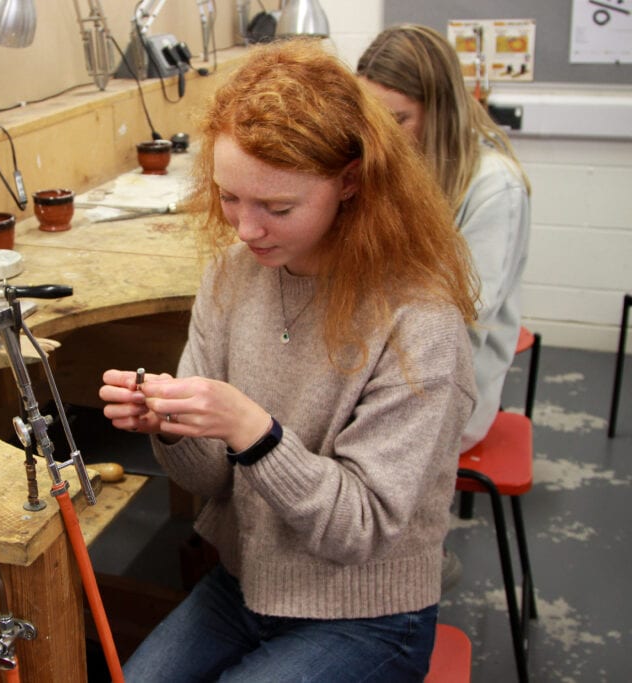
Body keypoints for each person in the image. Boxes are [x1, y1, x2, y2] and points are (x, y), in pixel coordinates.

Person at [98, 39, 478, 682]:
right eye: (230, 198)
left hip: (368, 612)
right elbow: (215, 483)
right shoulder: (231, 277)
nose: (247, 230)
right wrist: (169, 423)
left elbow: (360, 528)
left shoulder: (420, 321)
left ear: (350, 183)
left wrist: (253, 431)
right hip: (246, 584)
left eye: (277, 207)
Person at [357, 24, 532, 453]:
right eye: (373, 120)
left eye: (399, 119)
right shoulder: (390, 163)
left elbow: (461, 316)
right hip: (380, 359)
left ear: (440, 111)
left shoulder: (493, 186)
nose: (383, 138)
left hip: (448, 385)